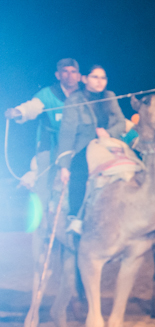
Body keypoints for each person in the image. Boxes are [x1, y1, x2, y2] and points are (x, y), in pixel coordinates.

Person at [57, 65, 127, 233]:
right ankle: (74, 217)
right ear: (85, 79)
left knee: (135, 166)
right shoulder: (75, 100)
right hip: (85, 146)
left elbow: (121, 123)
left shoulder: (110, 96)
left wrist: (108, 133)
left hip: (109, 143)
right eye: (95, 77)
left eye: (103, 78)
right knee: (79, 171)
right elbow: (67, 132)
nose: (99, 81)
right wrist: (65, 165)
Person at [5, 58, 82, 191]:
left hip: (75, 145)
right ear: (58, 75)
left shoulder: (84, 96)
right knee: (43, 182)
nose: (69, 76)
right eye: (65, 72)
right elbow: (32, 107)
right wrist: (18, 111)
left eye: (73, 72)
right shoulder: (48, 93)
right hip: (50, 144)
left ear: (79, 76)